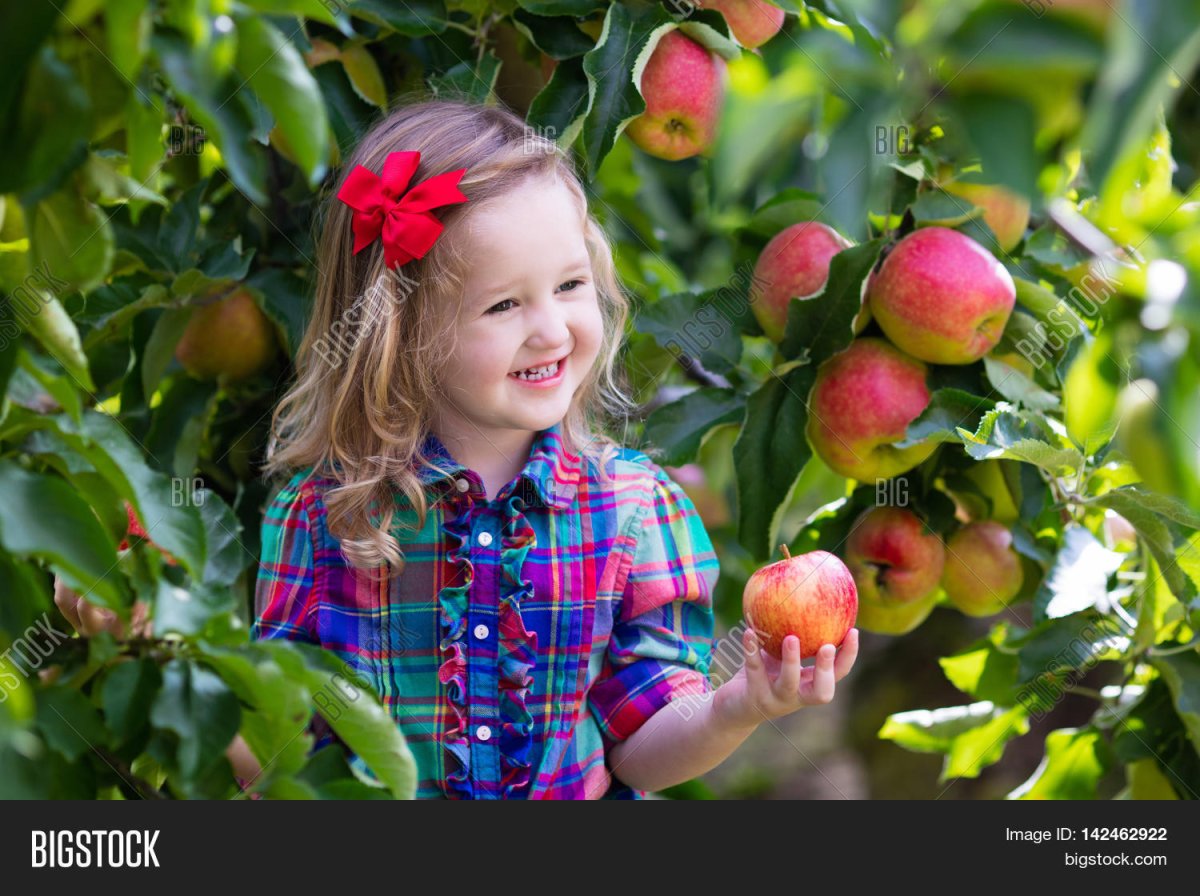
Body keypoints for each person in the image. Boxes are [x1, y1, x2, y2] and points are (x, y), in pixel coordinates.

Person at [54, 97, 859, 800]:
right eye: (504, 303)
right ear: (399, 334)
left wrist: (738, 705)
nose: (551, 328)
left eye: (571, 285)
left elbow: (641, 750)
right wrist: (148, 636)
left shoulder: (632, 509)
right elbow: (282, 755)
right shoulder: (328, 515)